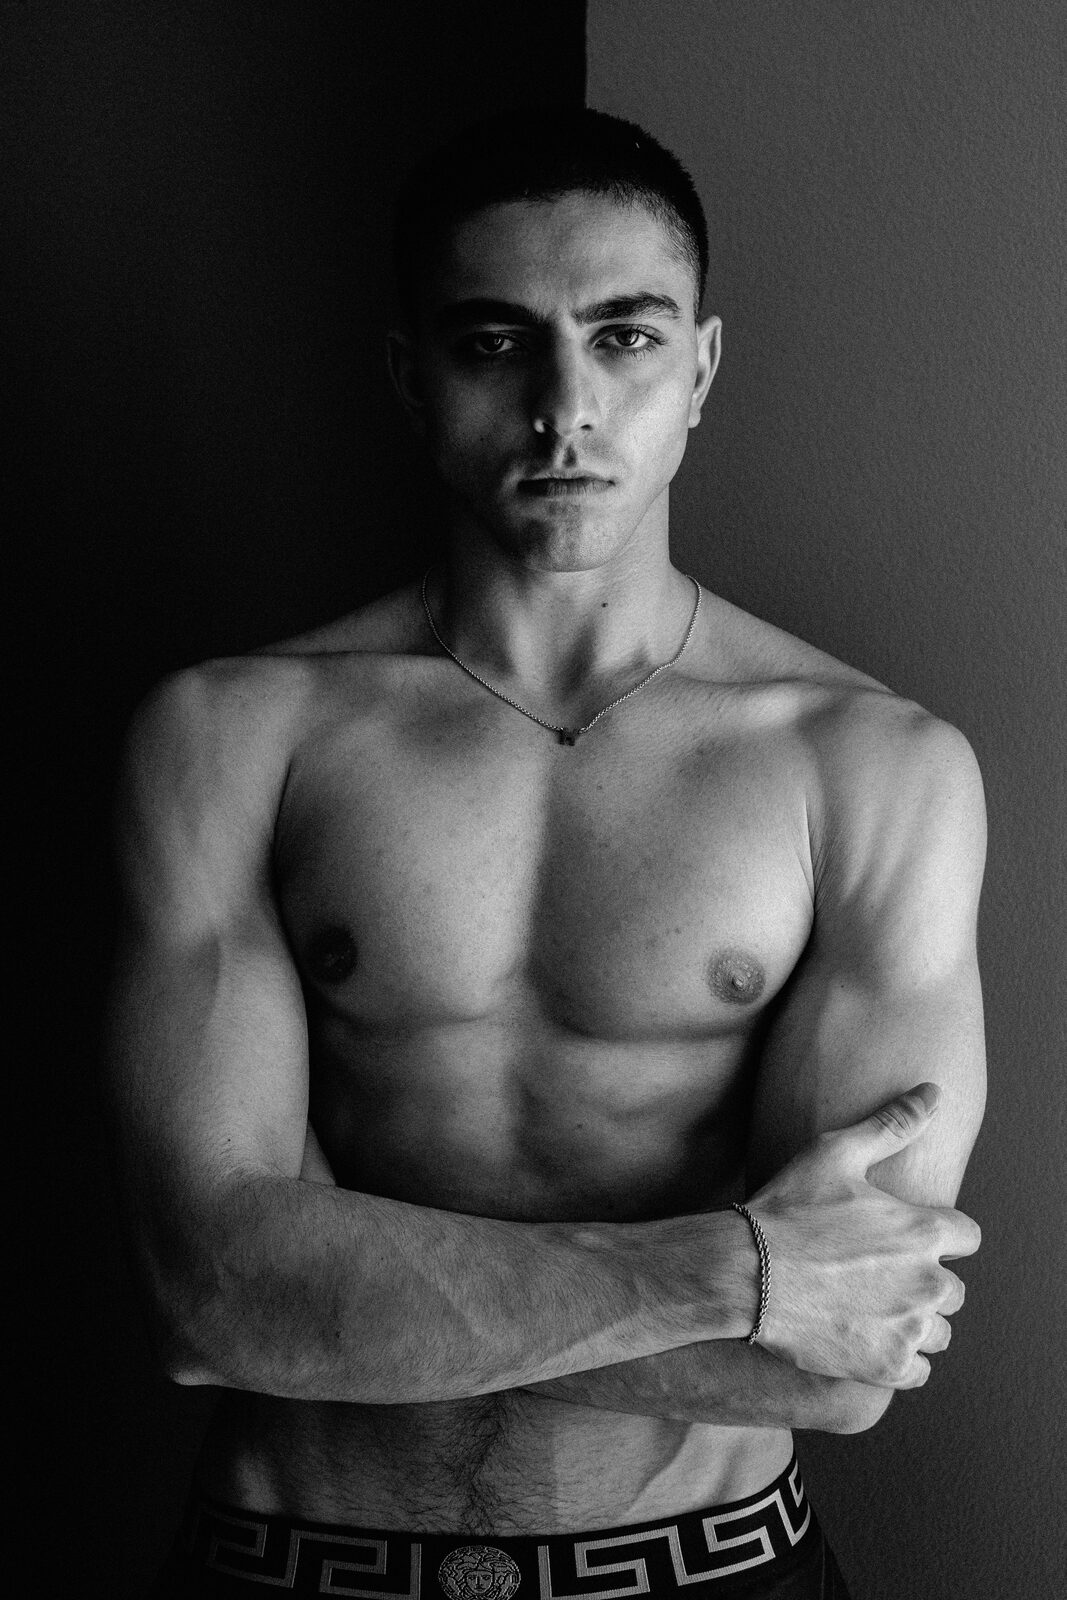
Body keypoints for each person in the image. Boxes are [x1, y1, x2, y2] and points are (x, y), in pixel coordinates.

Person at [107, 110, 986, 1599]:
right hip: (299, 1566)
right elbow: (214, 1302)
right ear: (414, 375)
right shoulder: (233, 738)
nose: (564, 408)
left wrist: (341, 1296)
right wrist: (732, 1275)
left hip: (705, 1573)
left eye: (625, 337)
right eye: (496, 344)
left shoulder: (871, 769)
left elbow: (846, 1356)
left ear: (701, 369)